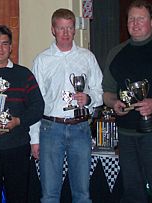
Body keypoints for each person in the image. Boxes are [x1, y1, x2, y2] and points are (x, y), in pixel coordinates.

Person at [102, 1, 152, 202]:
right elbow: (107, 93)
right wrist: (114, 104)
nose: (135, 23)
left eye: (141, 19)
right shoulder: (116, 53)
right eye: (131, 19)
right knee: (132, 193)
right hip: (127, 135)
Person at [29, 8, 103, 203]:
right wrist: (34, 138)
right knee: (50, 194)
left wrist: (88, 99)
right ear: (53, 30)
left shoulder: (87, 57)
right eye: (61, 28)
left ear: (74, 29)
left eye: (69, 28)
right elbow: (35, 102)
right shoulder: (42, 60)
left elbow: (99, 92)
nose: (65, 33)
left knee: (82, 194)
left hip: (80, 128)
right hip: (50, 128)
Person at [0, 25, 44, 202]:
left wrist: (18, 121)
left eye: (5, 44)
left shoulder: (24, 74)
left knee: (19, 197)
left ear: (11, 47)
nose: (0, 48)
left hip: (17, 148)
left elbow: (38, 107)